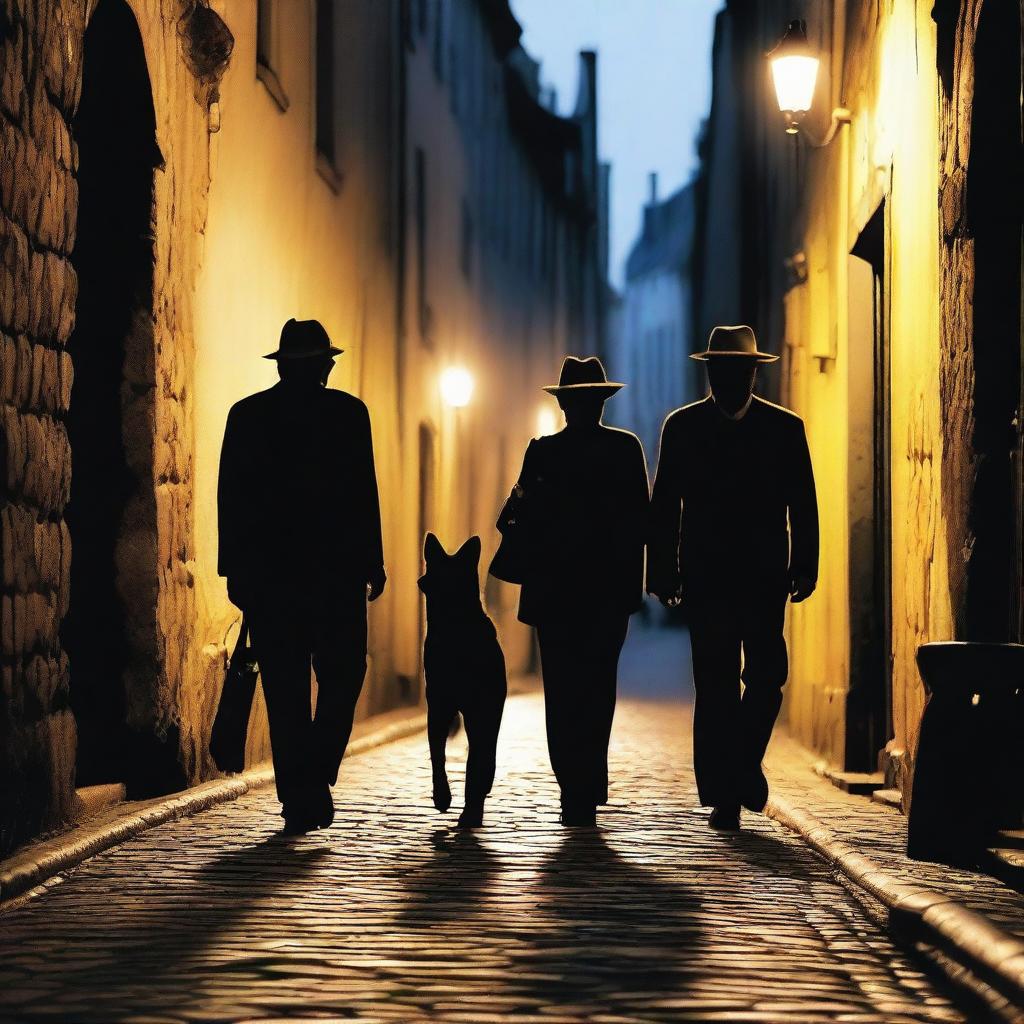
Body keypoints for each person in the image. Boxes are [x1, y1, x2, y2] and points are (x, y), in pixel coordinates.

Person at [217, 318, 386, 835]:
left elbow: (232, 499)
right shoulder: (349, 414)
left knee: (286, 692)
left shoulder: (247, 416)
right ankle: (311, 776)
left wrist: (235, 569)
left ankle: (300, 790)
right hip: (333, 577)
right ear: (321, 367)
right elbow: (364, 494)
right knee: (345, 674)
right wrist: (372, 562)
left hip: (272, 580)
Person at [647, 325, 818, 832]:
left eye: (737, 371)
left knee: (767, 677)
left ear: (752, 374)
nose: (727, 380)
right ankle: (724, 794)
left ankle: (742, 764)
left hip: (766, 578)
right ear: (709, 374)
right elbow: (665, 506)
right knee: (716, 683)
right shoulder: (682, 428)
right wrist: (662, 571)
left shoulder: (785, 430)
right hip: (706, 577)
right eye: (718, 371)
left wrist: (805, 565)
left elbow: (803, 505)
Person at [506, 356, 649, 827]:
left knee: (563, 691)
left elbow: (512, 518)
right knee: (596, 688)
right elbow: (642, 524)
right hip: (607, 594)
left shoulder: (544, 452)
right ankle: (586, 782)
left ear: (564, 405)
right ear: (600, 404)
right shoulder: (625, 449)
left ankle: (573, 785)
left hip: (555, 595)